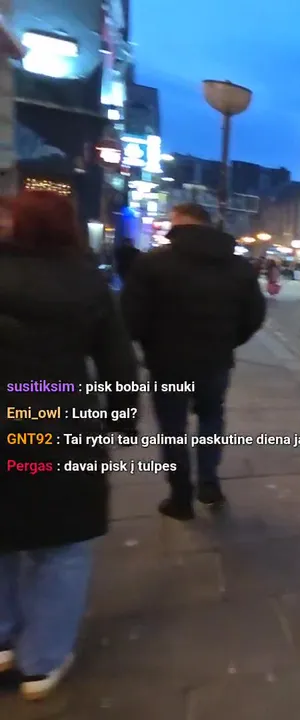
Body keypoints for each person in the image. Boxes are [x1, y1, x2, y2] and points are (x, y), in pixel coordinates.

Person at [0, 191, 139, 700]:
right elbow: (118, 361)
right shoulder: (87, 282)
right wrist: (122, 420)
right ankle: (42, 660)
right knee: (62, 545)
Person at [121, 202, 266, 520]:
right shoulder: (237, 266)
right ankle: (209, 483)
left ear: (179, 222)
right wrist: (229, 340)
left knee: (173, 428)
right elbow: (255, 314)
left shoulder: (152, 264)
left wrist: (149, 344)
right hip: (215, 360)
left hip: (167, 363)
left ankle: (181, 496)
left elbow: (131, 317)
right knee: (211, 419)